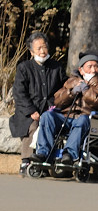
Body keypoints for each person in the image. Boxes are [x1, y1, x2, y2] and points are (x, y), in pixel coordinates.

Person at [30, 52, 98, 166]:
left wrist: (87, 91)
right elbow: (57, 101)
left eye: (96, 66)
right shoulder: (71, 81)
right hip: (67, 117)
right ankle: (43, 153)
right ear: (81, 70)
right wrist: (71, 93)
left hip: (90, 119)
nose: (93, 70)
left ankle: (69, 154)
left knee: (82, 120)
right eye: (89, 66)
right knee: (47, 116)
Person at [10, 32, 65, 176]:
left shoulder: (56, 67)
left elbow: (64, 89)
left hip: (50, 110)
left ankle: (45, 161)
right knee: (33, 125)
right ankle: (26, 161)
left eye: (44, 47)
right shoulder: (24, 67)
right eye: (39, 48)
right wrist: (31, 111)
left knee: (51, 124)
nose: (42, 51)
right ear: (31, 51)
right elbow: (19, 93)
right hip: (28, 111)